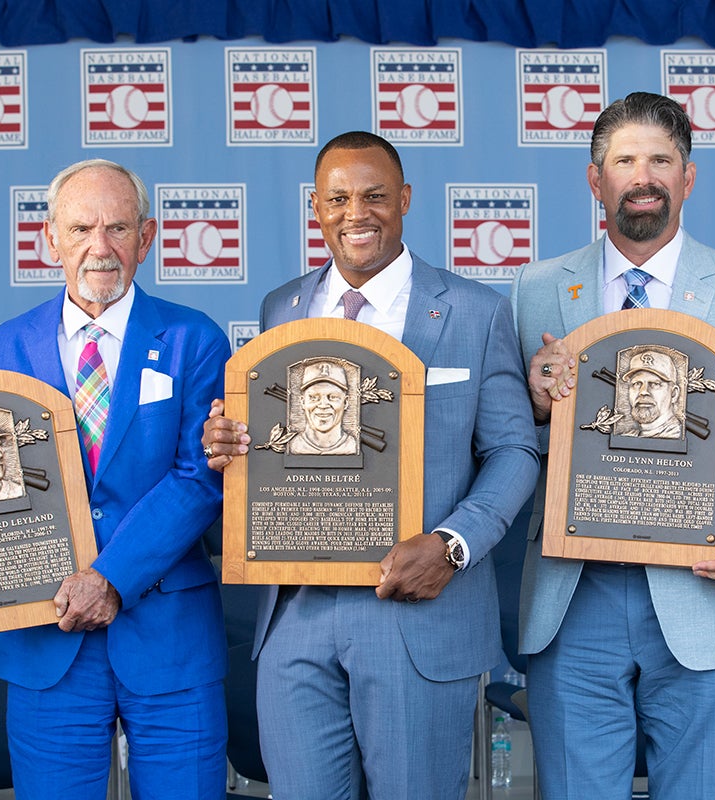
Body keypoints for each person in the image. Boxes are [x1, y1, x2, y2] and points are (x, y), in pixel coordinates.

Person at [201, 131, 539, 800]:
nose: (358, 214)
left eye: (376, 196)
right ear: (317, 209)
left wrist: (454, 543)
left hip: (414, 610)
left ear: (406, 199)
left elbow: (514, 451)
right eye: (339, 199)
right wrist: (229, 445)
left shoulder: (475, 311)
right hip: (295, 611)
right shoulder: (282, 307)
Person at [0, 159, 231, 798]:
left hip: (169, 638)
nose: (101, 248)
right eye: (81, 229)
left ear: (147, 237)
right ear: (51, 238)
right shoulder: (5, 348)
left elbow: (201, 479)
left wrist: (110, 579)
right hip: (47, 639)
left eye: (118, 228)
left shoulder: (195, 339)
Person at [510, 92, 715, 798]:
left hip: (702, 591)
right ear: (595, 179)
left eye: (661, 160)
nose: (643, 176)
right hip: (574, 599)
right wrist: (536, 404)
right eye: (624, 161)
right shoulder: (537, 288)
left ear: (688, 178)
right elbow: (508, 442)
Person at [288, 359, 359, 455]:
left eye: (333, 397)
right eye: (314, 397)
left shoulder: (352, 446)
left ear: (346, 402)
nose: (323, 405)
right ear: (303, 401)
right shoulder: (294, 445)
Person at [620, 348, 683, 439]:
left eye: (655, 384)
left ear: (674, 394)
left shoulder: (678, 434)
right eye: (637, 384)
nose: (643, 391)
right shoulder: (626, 437)